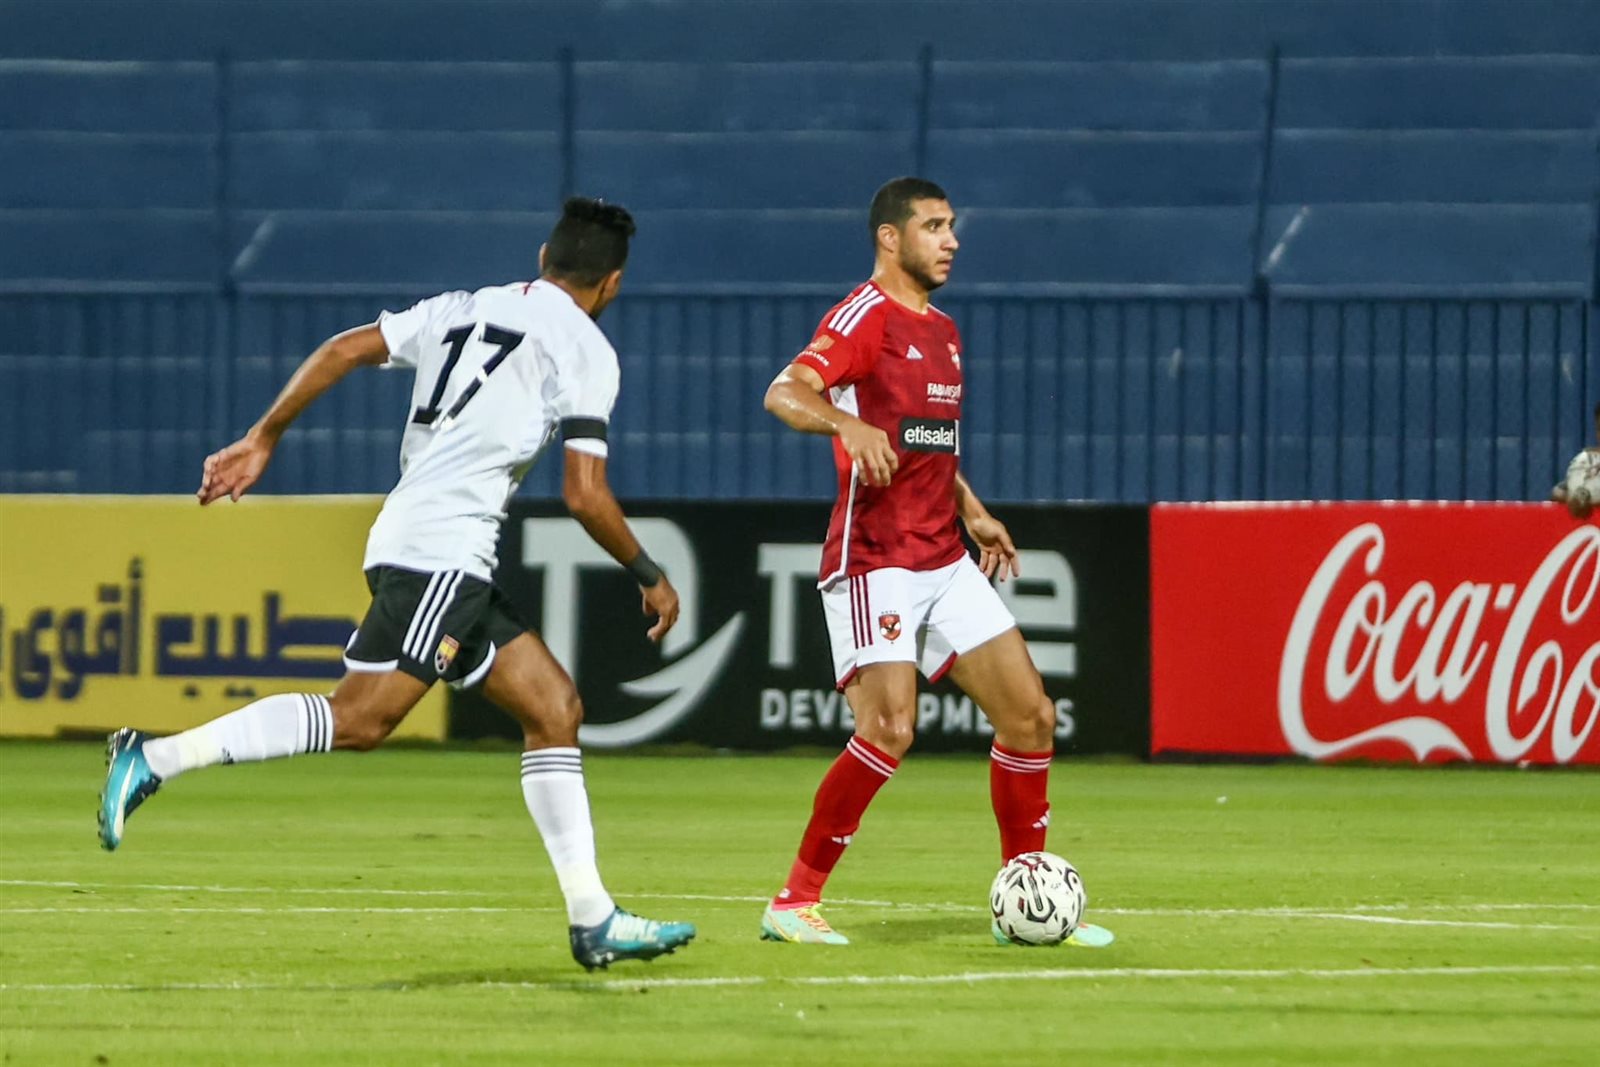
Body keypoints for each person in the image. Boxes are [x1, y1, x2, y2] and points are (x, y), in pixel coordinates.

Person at [97, 198, 696, 972]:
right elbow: (585, 494)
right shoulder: (587, 349)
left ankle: (593, 917)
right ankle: (154, 756)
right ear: (611, 283)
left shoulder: (463, 307)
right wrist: (649, 573)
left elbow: (345, 348)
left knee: (554, 708)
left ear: (543, 256)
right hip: (443, 552)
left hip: (420, 541)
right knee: (361, 719)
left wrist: (263, 436)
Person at [756, 177, 1113, 948]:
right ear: (891, 237)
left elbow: (927, 443)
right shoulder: (863, 317)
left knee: (1030, 716)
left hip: (943, 556)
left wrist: (972, 509)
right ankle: (793, 901)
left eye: (951, 226)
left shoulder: (944, 331)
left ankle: (1029, 895)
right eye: (934, 226)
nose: (951, 240)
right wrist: (843, 426)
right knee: (889, 728)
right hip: (875, 557)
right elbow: (784, 391)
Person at [1550, 401, 1600, 519]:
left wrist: (1589, 496)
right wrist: (1574, 498)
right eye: (1599, 429)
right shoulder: (1587, 461)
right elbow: (1557, 491)